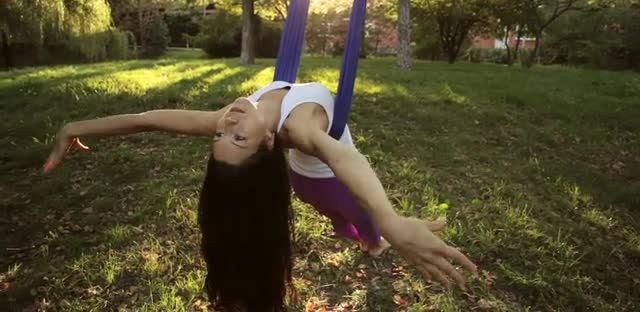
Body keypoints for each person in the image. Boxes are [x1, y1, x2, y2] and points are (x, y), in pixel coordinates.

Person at [43, 80, 477, 311]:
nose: (226, 123)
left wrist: (74, 128)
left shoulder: (235, 118)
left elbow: (148, 120)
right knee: (362, 225)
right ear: (267, 144)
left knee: (337, 219)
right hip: (327, 180)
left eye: (219, 134)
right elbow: (344, 160)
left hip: (302, 183)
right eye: (235, 138)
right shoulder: (299, 129)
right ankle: (367, 237)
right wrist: (389, 219)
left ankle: (350, 229)